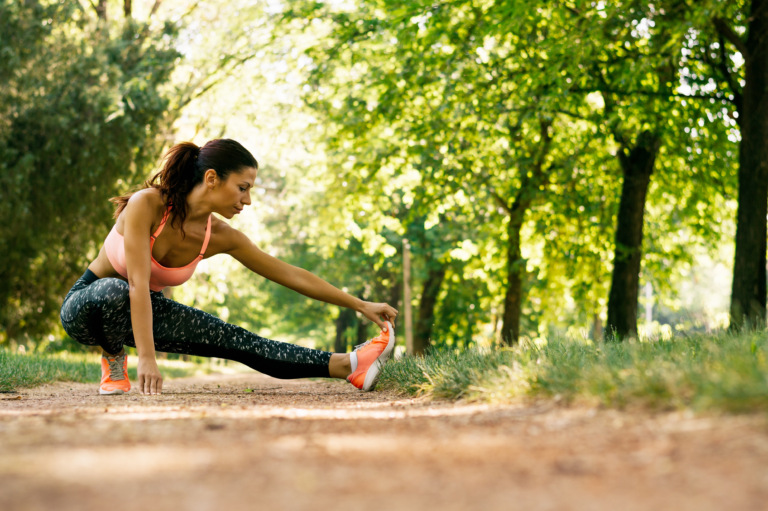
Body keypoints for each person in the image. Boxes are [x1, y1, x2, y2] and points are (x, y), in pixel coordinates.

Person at [60, 139, 398, 396]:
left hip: (146, 310)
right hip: (86, 308)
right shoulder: (146, 204)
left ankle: (348, 366)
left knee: (236, 339)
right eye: (242, 188)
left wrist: (359, 304)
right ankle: (113, 357)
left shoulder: (220, 236)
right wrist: (146, 358)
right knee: (116, 289)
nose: (247, 200)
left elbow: (289, 273)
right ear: (211, 178)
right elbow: (136, 283)